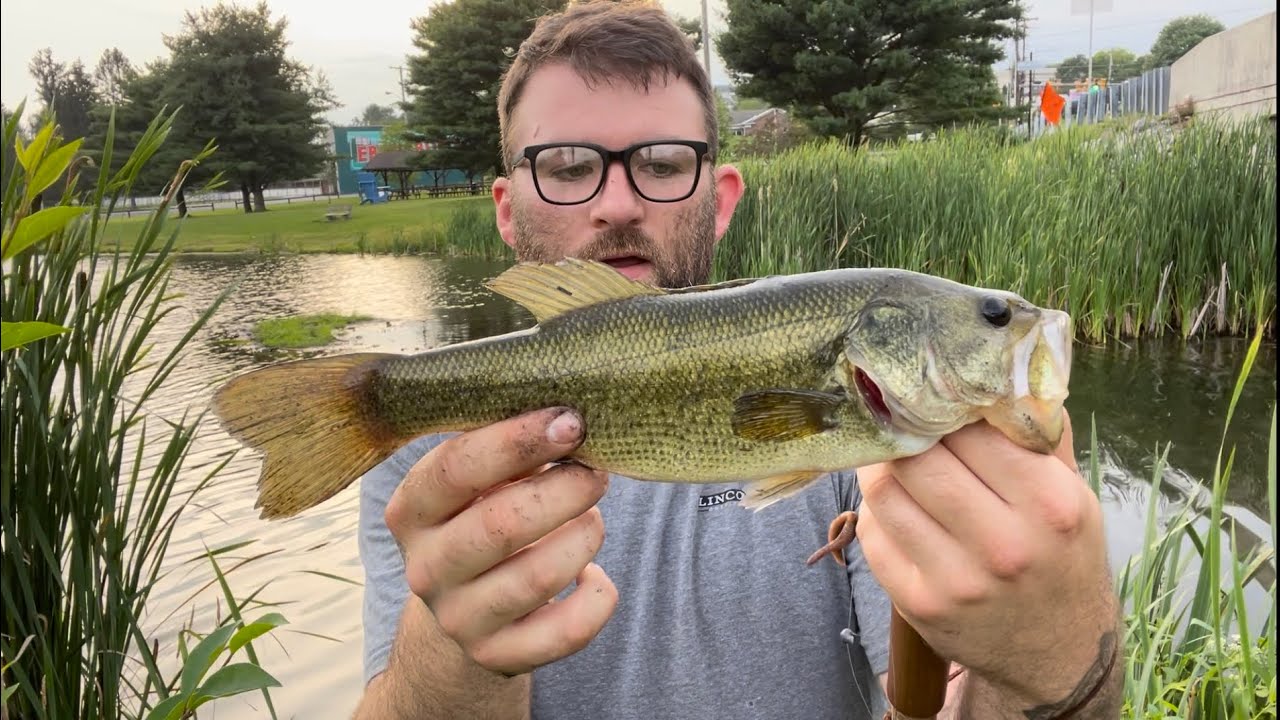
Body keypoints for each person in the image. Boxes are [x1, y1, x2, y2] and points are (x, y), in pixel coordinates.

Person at [353, 2, 1122, 718]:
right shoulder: (425, 458)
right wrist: (454, 656)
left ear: (720, 200)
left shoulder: (898, 448)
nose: (616, 202)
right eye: (564, 165)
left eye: (660, 162)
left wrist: (1054, 661)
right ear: (507, 211)